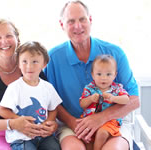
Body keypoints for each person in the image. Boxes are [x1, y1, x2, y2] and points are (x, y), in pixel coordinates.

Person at [44, 1, 140, 150]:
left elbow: (134, 100)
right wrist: (72, 122)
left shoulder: (115, 53)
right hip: (73, 125)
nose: (78, 26)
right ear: (62, 24)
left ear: (90, 20)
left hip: (114, 123)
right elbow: (50, 101)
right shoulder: (52, 58)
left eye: (82, 19)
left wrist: (101, 118)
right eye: (71, 21)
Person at [0, 19, 58, 150]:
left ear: (17, 39)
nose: (4, 41)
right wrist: (13, 123)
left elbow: (49, 102)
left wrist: (52, 124)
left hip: (32, 132)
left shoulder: (31, 67)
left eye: (9, 36)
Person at [0, 41, 62, 150]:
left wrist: (49, 122)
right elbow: (2, 110)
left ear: (44, 64)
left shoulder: (48, 87)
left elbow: (53, 109)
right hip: (21, 137)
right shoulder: (14, 87)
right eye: (24, 62)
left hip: (43, 136)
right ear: (18, 64)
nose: (29, 66)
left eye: (35, 62)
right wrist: (18, 120)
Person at [79, 55, 130, 150]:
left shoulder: (117, 88)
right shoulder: (89, 88)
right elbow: (82, 104)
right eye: (99, 74)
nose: (103, 78)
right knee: (86, 137)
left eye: (108, 74)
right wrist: (90, 99)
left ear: (115, 75)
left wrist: (114, 98)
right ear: (92, 75)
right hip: (90, 120)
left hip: (110, 121)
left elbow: (126, 99)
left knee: (101, 133)